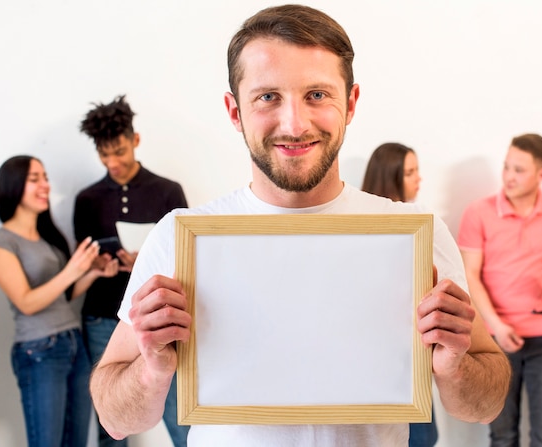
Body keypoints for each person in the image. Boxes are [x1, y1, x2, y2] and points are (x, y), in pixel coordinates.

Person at [90, 5, 511, 446]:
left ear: (350, 104)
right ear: (235, 112)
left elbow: (484, 408)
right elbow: (116, 419)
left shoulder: (414, 234)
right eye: (267, 96)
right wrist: (152, 369)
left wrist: (455, 365)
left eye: (317, 95)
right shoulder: (181, 237)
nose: (294, 124)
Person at [74, 95, 189, 447]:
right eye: (104, 155)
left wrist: (146, 261)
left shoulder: (167, 191)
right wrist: (101, 266)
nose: (113, 163)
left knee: (178, 414)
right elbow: (83, 259)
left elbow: (187, 259)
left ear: (135, 141)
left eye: (119, 152)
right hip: (101, 317)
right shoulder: (86, 199)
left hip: (158, 321)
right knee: (112, 420)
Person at [457, 133, 542, 447]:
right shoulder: (479, 212)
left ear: (541, 174)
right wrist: (497, 327)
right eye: (506, 167)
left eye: (519, 170)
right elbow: (469, 276)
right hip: (495, 341)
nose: (508, 177)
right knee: (502, 436)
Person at [0, 155, 119, 447]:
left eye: (46, 177)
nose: (45, 185)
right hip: (39, 352)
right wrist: (71, 271)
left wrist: (93, 273)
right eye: (34, 178)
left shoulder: (46, 237)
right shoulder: (4, 241)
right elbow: (26, 302)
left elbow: (63, 296)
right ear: (13, 185)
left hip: (74, 346)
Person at [362, 142, 437, 447]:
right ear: (389, 177)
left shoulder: (421, 227)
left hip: (412, 360)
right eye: (409, 172)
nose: (418, 179)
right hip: (380, 364)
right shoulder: (363, 230)